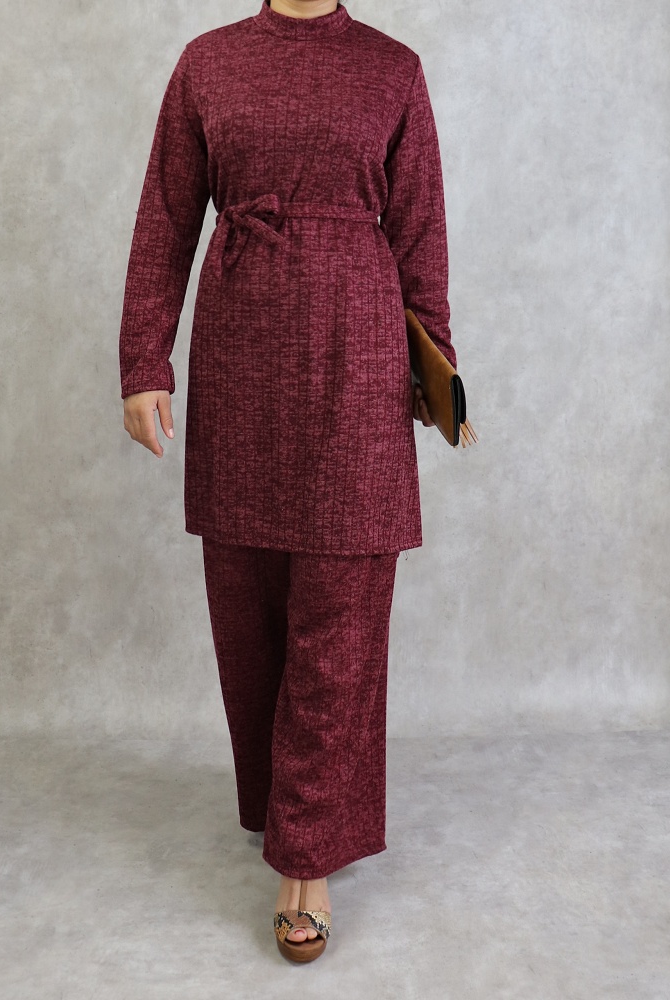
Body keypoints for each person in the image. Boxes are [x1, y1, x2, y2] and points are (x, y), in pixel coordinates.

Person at [119, 0, 457, 963]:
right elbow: (166, 217)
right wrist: (144, 361)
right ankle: (286, 808)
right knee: (250, 608)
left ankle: (303, 859)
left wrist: (437, 363)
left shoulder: (392, 68)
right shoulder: (208, 63)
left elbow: (421, 230)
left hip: (359, 351)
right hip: (241, 350)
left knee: (342, 611)